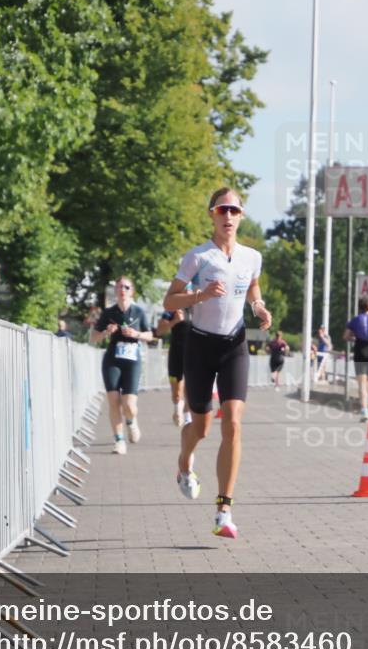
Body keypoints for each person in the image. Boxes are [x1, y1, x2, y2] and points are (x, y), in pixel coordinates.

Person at [162, 187, 272, 539]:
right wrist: (201, 295)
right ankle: (184, 463)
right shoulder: (198, 257)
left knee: (234, 424)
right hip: (200, 346)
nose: (228, 216)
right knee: (202, 428)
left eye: (234, 210)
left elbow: (252, 287)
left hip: (234, 346)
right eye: (222, 209)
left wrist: (258, 307)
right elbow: (169, 300)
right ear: (212, 213)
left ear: (241, 216)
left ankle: (224, 511)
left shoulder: (252, 256)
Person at [89, 277, 152, 454]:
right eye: (119, 287)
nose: (122, 290)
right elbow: (93, 338)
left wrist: (136, 334)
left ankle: (131, 421)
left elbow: (149, 336)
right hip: (112, 360)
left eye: (126, 287)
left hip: (132, 360)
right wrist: (105, 332)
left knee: (129, 405)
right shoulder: (109, 312)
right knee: (114, 400)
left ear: (132, 291)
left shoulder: (139, 312)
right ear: (116, 291)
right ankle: (119, 440)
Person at [155, 307, 191, 427]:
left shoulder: (201, 305)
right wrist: (174, 321)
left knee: (192, 390)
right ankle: (177, 408)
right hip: (177, 354)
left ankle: (188, 420)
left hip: (195, 354)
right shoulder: (174, 307)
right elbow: (159, 331)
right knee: (177, 393)